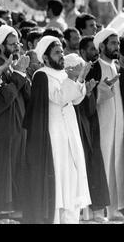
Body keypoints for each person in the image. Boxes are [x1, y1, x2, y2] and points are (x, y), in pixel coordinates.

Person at [23, 36, 91, 224]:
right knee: (58, 180)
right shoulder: (42, 75)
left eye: (62, 51)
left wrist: (80, 79)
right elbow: (59, 97)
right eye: (56, 53)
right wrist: (76, 78)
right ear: (45, 58)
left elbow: (76, 99)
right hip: (53, 135)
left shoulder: (62, 74)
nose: (62, 56)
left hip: (69, 132)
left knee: (71, 178)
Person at [86, 28, 124, 221]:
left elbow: (121, 97)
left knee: (116, 163)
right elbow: (89, 96)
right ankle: (99, 210)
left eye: (117, 43)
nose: (117, 47)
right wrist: (105, 88)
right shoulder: (95, 67)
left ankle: (115, 208)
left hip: (119, 123)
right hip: (101, 123)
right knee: (103, 164)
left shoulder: (117, 67)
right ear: (101, 46)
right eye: (113, 43)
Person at [0, 26, 31, 219]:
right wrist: (19, 75)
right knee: (5, 164)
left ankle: (16, 205)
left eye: (18, 43)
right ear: (1, 46)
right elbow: (5, 97)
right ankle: (4, 207)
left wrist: (22, 74)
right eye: (12, 44)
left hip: (19, 123)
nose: (17, 47)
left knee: (18, 164)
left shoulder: (16, 66)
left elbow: (27, 95)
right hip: (3, 124)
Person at [74, 39, 111, 222]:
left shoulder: (93, 71)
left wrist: (90, 94)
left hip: (90, 126)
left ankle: (97, 210)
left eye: (96, 49)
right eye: (91, 49)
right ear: (82, 51)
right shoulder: (75, 68)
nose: (95, 53)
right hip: (77, 127)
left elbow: (90, 107)